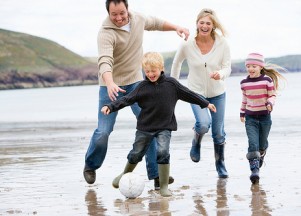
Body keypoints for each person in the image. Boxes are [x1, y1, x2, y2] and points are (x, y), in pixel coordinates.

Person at [83, 0, 190, 189]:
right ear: (108, 12)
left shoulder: (138, 19)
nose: (118, 17)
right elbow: (105, 61)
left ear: (127, 9)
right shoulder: (105, 33)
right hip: (110, 85)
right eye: (114, 14)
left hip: (136, 83)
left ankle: (157, 175)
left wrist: (176, 27)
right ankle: (91, 165)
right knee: (103, 132)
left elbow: (156, 23)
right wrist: (109, 83)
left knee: (150, 125)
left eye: (122, 13)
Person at [101, 52, 217, 196]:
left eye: (153, 70)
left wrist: (206, 103)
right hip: (145, 127)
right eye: (147, 71)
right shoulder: (142, 87)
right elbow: (126, 99)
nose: (150, 74)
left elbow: (189, 94)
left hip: (165, 126)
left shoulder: (172, 84)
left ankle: (163, 187)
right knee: (136, 153)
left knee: (163, 152)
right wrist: (110, 107)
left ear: (161, 68)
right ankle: (124, 174)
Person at [170, 8, 231, 178]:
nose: (204, 26)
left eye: (208, 23)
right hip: (196, 93)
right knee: (203, 124)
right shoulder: (187, 43)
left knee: (218, 133)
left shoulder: (222, 43)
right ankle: (196, 140)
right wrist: (173, 86)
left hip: (218, 93)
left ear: (213, 25)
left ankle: (220, 164)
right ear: (197, 24)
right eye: (202, 22)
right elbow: (176, 64)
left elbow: (227, 67)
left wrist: (221, 74)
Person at [240, 53, 286, 184]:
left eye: (253, 66)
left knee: (262, 143)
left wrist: (270, 103)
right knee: (253, 143)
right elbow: (245, 99)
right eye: (248, 66)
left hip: (265, 117)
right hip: (250, 118)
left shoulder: (267, 80)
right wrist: (242, 113)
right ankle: (254, 170)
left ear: (260, 67)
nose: (250, 68)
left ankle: (262, 153)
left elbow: (272, 95)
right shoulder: (244, 83)